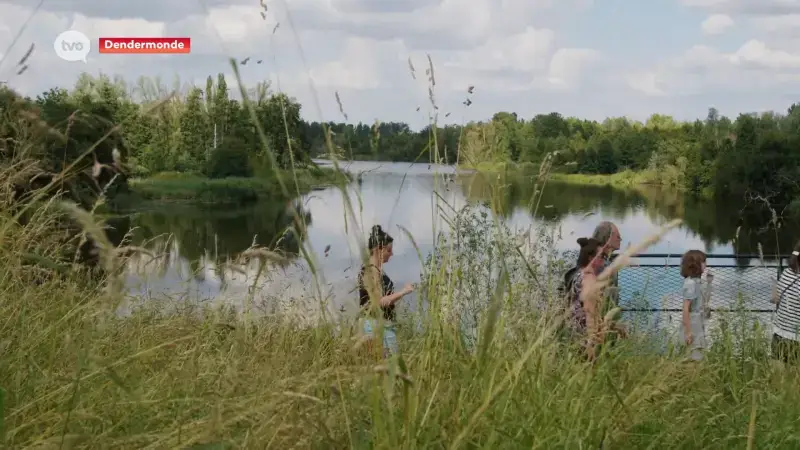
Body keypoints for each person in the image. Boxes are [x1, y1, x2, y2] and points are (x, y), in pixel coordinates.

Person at [357, 225, 414, 357]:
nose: (391, 254)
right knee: (390, 370)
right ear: (379, 249)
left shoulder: (374, 270)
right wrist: (403, 292)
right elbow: (379, 302)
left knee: (385, 371)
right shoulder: (371, 271)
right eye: (389, 250)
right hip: (377, 326)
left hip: (379, 325)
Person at [771, 242, 800, 363]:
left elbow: (775, 299)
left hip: (778, 334)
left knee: (778, 378)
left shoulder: (786, 273)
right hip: (796, 339)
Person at [680, 250, 709, 361]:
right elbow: (686, 308)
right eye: (704, 262)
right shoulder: (691, 283)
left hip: (698, 320)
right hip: (693, 321)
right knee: (694, 353)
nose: (706, 265)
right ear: (695, 264)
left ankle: (694, 374)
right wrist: (688, 331)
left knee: (698, 352)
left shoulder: (697, 281)